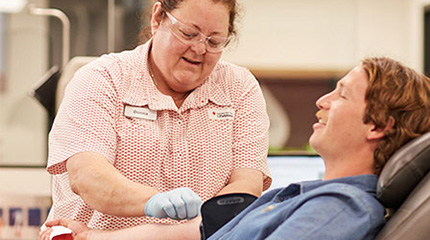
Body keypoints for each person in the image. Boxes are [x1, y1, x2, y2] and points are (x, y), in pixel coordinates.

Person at [41, 56, 430, 240]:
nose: (322, 102)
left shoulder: (340, 209)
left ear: (379, 125)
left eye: (341, 95)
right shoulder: (308, 196)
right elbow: (200, 230)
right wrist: (89, 237)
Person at [45, 0, 271, 234]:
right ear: (157, 18)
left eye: (214, 41)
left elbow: (246, 185)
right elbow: (88, 177)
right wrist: (153, 202)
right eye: (188, 33)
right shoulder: (102, 79)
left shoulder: (239, 88)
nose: (199, 49)